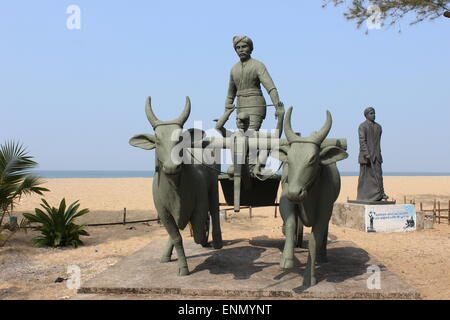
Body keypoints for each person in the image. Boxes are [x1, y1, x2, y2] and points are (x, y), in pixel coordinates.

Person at [222, 35, 284, 131]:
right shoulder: (233, 69)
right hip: (240, 105)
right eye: (238, 48)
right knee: (242, 135)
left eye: (244, 47)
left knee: (251, 134)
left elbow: (270, 88)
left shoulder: (258, 65)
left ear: (250, 49)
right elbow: (230, 96)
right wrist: (225, 116)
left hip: (255, 104)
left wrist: (277, 106)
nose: (241, 50)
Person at [356, 107, 389, 201]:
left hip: (377, 155)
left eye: (374, 113)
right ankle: (364, 196)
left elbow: (377, 142)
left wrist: (377, 153)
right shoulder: (362, 126)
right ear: (366, 115)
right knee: (365, 178)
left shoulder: (379, 127)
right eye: (371, 113)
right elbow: (362, 141)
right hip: (366, 157)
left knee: (378, 175)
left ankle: (380, 194)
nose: (373, 115)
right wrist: (366, 153)